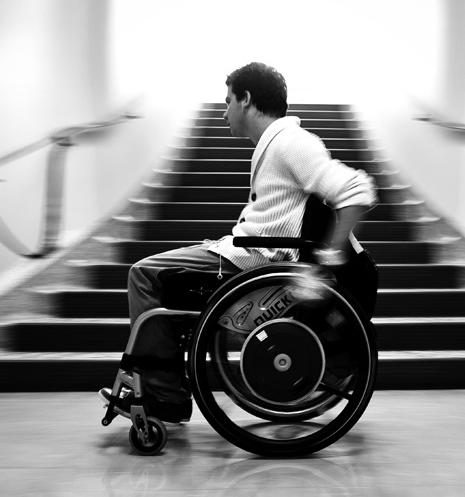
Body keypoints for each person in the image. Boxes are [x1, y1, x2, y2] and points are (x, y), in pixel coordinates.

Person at [100, 62, 378, 422]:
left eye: (228, 100)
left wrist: (330, 258)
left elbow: (356, 190)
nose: (224, 111)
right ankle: (163, 388)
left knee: (144, 275)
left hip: (253, 260)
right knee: (155, 277)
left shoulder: (290, 142)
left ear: (246, 100)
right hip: (251, 254)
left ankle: (163, 394)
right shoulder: (276, 145)